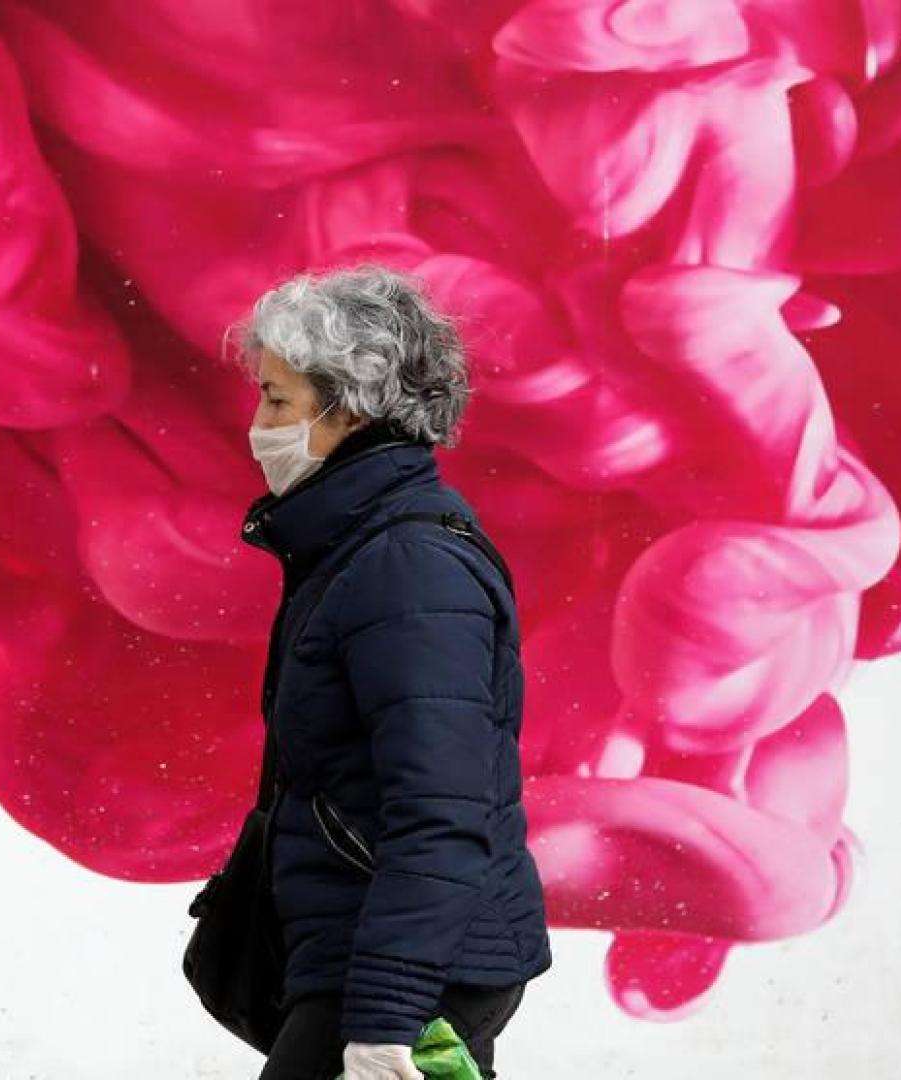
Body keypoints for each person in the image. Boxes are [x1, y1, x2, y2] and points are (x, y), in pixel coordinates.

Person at [228, 265, 551, 1080]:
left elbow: (438, 810)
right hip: (378, 956)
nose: (259, 425)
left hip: (405, 971)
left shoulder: (407, 569)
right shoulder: (356, 550)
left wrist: (384, 1018)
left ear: (352, 408)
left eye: (277, 400)